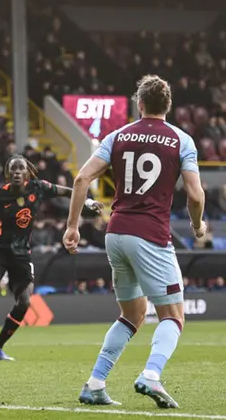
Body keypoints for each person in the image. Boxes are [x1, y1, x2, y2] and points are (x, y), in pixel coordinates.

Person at [64, 75, 205, 409]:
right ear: (167, 106)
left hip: (116, 233)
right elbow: (196, 194)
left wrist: (72, 227)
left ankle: (95, 383)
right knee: (173, 316)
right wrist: (198, 226)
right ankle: (151, 375)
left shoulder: (117, 135)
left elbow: (82, 177)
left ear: (139, 104)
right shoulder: (181, 140)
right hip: (151, 235)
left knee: (133, 313)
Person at [0, 156, 102, 361]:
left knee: (24, 302)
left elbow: (67, 191)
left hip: (22, 254)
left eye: (21, 169)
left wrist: (87, 201)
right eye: (13, 169)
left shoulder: (38, 188)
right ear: (8, 174)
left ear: (27, 172)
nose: (17, 172)